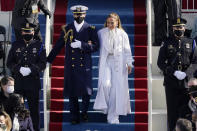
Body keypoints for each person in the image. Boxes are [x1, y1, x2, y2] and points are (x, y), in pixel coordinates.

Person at [47, 5, 99, 124]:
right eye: (76, 14)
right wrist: (48, 60)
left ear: (85, 14)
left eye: (81, 14)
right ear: (73, 15)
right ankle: (74, 116)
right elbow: (59, 45)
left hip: (84, 65)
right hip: (71, 65)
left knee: (87, 92)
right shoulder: (67, 28)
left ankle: (84, 112)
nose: (79, 16)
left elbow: (96, 46)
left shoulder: (91, 29)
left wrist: (82, 45)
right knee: (72, 92)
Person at [157, 17, 197, 131]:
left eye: (181, 27)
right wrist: (173, 72)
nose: (179, 29)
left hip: (186, 83)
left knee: (187, 111)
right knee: (172, 112)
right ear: (173, 29)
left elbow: (195, 61)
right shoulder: (166, 42)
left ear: (184, 28)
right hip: (171, 82)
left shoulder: (191, 42)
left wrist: (187, 73)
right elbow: (160, 62)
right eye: (176, 27)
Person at [93, 12, 134, 124]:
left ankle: (113, 116)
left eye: (112, 22)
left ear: (117, 23)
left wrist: (129, 63)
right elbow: (95, 45)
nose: (110, 24)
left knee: (116, 90)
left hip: (119, 63)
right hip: (105, 62)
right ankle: (104, 107)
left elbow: (127, 50)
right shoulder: (101, 33)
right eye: (108, 22)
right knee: (106, 85)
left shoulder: (122, 34)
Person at [6, 23, 46, 131]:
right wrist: (18, 69)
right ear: (22, 32)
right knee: (18, 110)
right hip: (19, 83)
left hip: (33, 83)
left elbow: (43, 63)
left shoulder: (39, 45)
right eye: (25, 31)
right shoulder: (16, 45)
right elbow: (9, 63)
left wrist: (31, 70)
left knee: (34, 112)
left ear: (33, 32)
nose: (27, 33)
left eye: (30, 32)